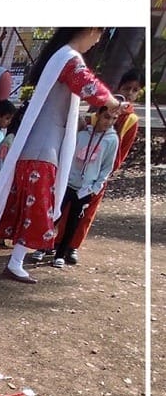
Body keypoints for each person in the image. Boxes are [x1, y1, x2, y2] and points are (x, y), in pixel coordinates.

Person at [0, 27, 120, 283]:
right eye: (98, 35)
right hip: (44, 148)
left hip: (36, 146)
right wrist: (113, 102)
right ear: (90, 29)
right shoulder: (69, 58)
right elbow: (87, 85)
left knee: (20, 203)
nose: (97, 42)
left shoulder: (60, 56)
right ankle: (13, 260)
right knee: (41, 209)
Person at [62, 68, 142, 261]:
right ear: (119, 87)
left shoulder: (131, 120)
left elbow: (122, 150)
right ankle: (57, 241)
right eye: (127, 87)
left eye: (135, 90)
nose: (130, 93)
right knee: (66, 207)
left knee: (86, 210)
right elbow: (84, 126)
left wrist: (106, 174)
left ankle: (73, 246)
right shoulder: (103, 107)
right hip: (80, 167)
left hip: (99, 171)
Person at [48, 106, 120, 267]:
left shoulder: (112, 140)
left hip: (85, 189)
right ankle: (43, 246)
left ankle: (60, 254)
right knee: (54, 215)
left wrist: (95, 187)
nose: (109, 122)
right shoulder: (82, 134)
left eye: (113, 119)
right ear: (98, 115)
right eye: (106, 117)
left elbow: (107, 167)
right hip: (68, 183)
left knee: (74, 221)